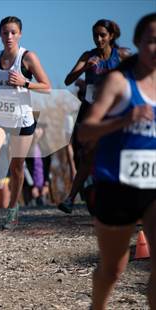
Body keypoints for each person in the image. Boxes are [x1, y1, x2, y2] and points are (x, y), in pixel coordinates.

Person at [78, 13, 156, 309]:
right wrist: (124, 119)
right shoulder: (118, 82)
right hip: (117, 185)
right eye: (151, 41)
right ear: (137, 43)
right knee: (113, 269)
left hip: (153, 184)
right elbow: (86, 130)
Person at [0, 16, 51, 229]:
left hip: (21, 118)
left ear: (20, 34)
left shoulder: (28, 57)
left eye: (13, 32)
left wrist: (25, 83)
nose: (9, 36)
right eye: (5, 33)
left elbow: (47, 86)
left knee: (16, 166)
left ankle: (13, 209)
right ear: (0, 35)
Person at [59, 19, 130, 214]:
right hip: (91, 112)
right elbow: (68, 79)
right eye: (95, 35)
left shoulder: (122, 55)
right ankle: (70, 199)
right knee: (88, 154)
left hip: (115, 112)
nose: (98, 39)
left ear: (111, 36)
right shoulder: (88, 55)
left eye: (102, 35)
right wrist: (84, 68)